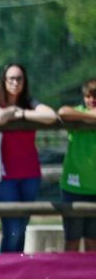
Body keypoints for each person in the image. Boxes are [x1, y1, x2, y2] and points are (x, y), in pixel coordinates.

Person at [0, 63, 58, 253]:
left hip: (30, 174)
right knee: (12, 229)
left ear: (24, 81)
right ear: (4, 81)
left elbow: (51, 115)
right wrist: (13, 111)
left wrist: (23, 113)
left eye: (19, 78)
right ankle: (5, 268)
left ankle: (18, 267)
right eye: (11, 78)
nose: (15, 82)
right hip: (4, 175)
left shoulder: (30, 103)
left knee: (22, 227)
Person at [58, 79, 96, 252]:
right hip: (73, 187)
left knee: (92, 242)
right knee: (72, 240)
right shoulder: (78, 112)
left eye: (95, 96)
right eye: (88, 96)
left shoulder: (79, 114)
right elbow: (63, 112)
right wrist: (92, 117)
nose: (91, 100)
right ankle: (69, 271)